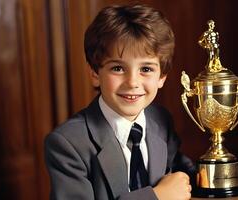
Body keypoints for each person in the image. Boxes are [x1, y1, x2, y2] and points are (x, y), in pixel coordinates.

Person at [44, 3, 195, 200]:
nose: (132, 82)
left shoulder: (160, 120)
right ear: (95, 74)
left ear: (162, 77)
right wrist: (156, 197)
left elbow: (182, 171)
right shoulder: (68, 143)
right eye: (117, 68)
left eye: (146, 69)